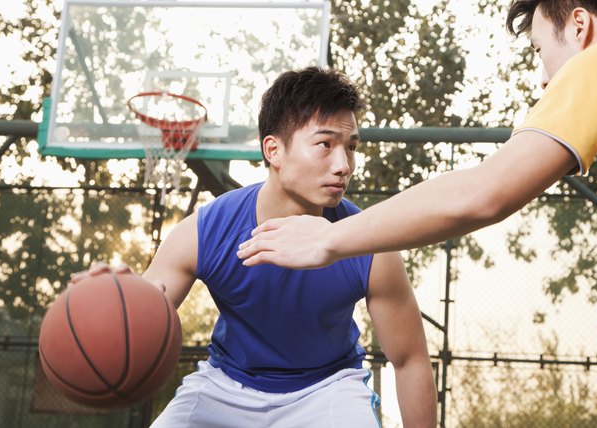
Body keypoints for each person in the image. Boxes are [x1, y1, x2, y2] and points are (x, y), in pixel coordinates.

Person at [237, 2, 597, 426]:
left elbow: (484, 193)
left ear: (579, 26)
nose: (543, 76)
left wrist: (328, 239)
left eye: (540, 49)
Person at [71, 67, 437, 427]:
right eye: (325, 144)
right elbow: (146, 306)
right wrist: (111, 294)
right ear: (273, 150)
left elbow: (410, 360)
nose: (343, 165)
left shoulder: (368, 243)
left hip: (328, 388)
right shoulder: (208, 229)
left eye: (351, 147)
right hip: (225, 385)